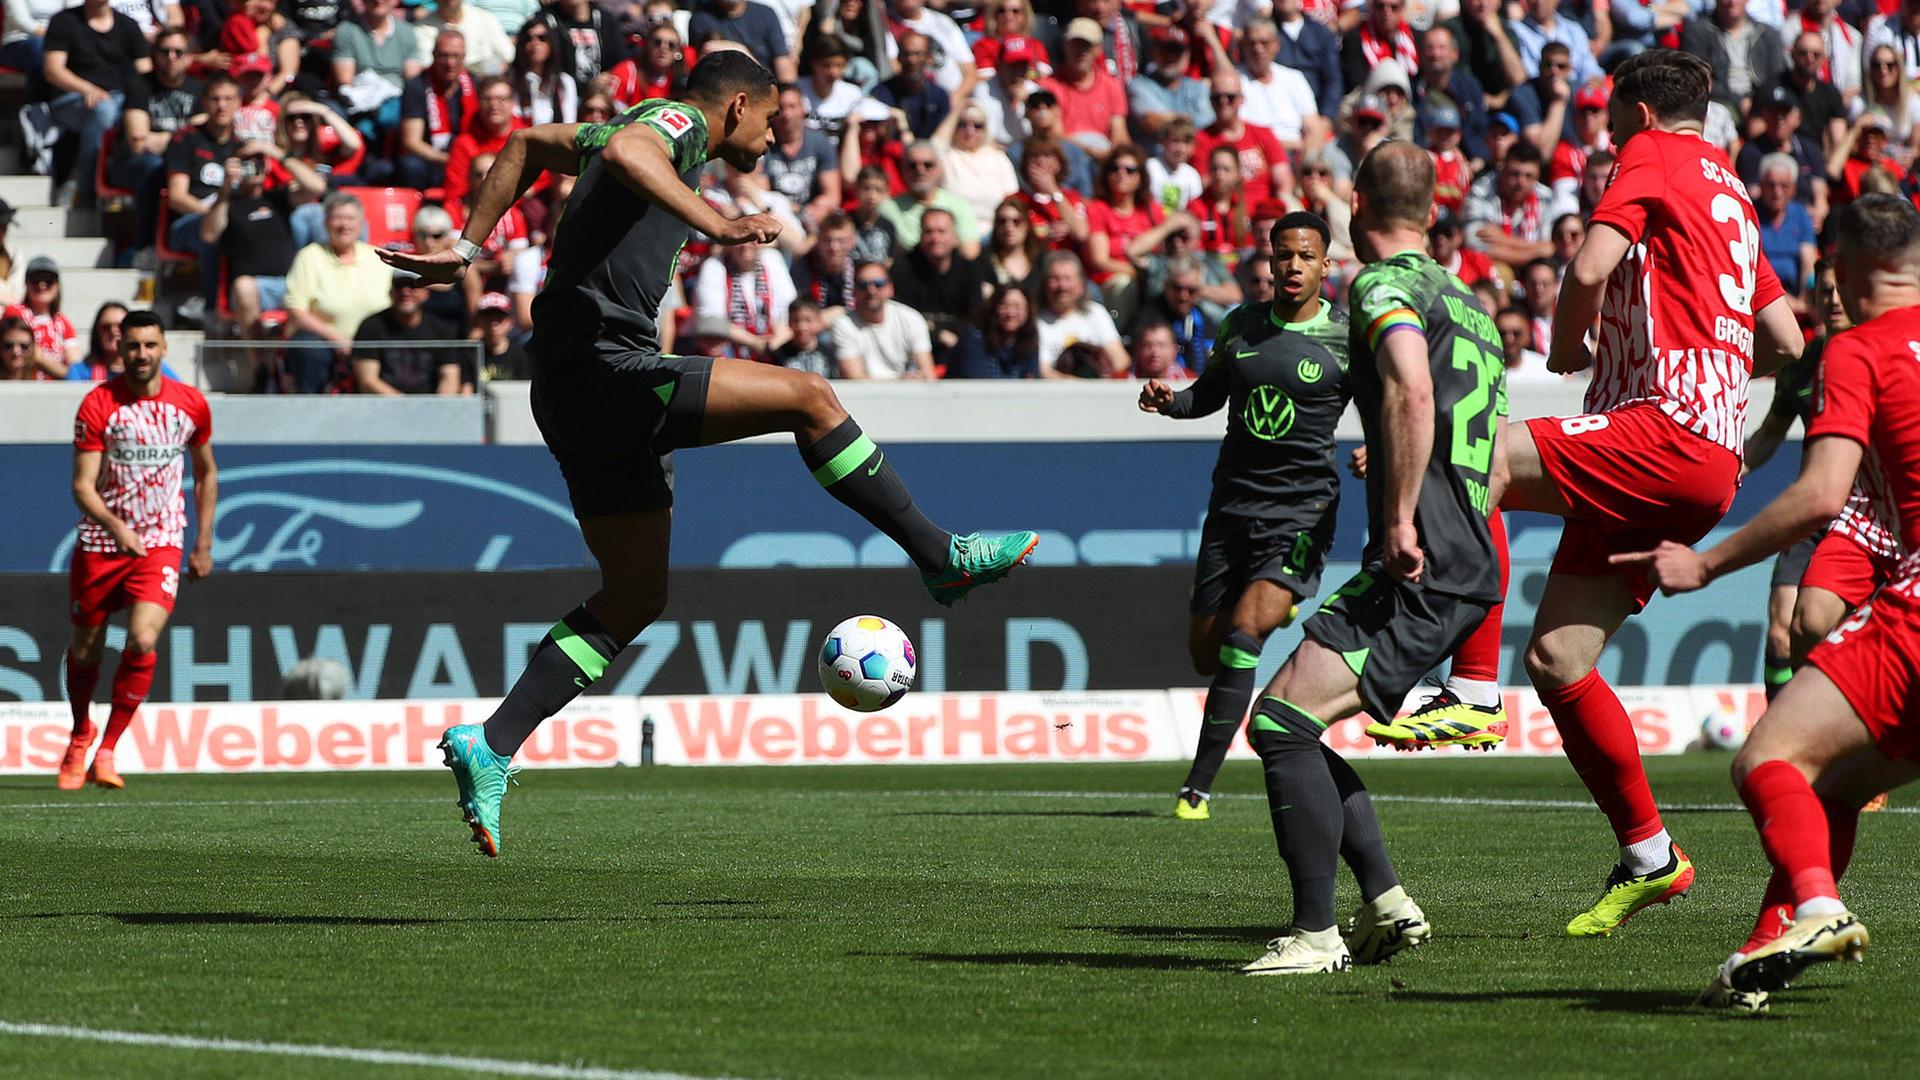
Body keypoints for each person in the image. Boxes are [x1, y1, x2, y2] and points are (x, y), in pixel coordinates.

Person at [376, 53, 1037, 855]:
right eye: (768, 117)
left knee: (633, 596)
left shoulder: (624, 127)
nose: (773, 133)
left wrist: (468, 248)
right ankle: (942, 555)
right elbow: (629, 152)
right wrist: (720, 225)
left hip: (570, 389)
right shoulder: (677, 125)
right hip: (601, 369)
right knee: (811, 397)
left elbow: (523, 143)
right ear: (738, 107)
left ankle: (493, 742)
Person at [1365, 51, 1805, 940]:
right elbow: (1787, 340)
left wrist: (1570, 348)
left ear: (1638, 114)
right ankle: (1651, 855)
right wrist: (1714, 359)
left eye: (1610, 121)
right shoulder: (1735, 196)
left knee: (1476, 455)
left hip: (1663, 428)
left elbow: (1590, 268)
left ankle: (1472, 691)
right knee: (1562, 658)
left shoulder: (1653, 158)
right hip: (1707, 451)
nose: (1604, 139)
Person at [1615, 195, 1919, 1010]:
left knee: (1767, 759)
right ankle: (1763, 947)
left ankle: (1817, 907)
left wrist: (1705, 564)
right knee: (1835, 786)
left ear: (1849, 270)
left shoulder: (1856, 348)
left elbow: (1821, 494)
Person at [1227, 143, 1501, 975]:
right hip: (1466, 547)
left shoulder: (1382, 286)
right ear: (1434, 206)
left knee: (1279, 723)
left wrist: (1402, 513)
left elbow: (1413, 390)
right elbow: (1446, 419)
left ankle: (1315, 936)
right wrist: (1393, 464)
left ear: (1354, 203)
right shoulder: (1472, 303)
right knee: (1292, 721)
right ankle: (1385, 903)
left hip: (1427, 555)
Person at [1139, 211, 1352, 822]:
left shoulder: (1346, 336)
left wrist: (1378, 453)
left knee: (1242, 635)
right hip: (1231, 507)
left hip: (1303, 510)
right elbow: (1207, 395)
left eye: (1304, 256)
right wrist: (1170, 402)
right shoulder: (1241, 324)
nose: (1291, 266)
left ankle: (1197, 788)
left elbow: (1386, 406)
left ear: (1324, 266)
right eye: (1282, 254)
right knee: (1206, 655)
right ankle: (1269, 606)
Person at [58, 311, 216, 791]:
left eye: (150, 345)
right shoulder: (99, 404)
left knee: (144, 640)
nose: (141, 355)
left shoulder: (190, 404)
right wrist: (116, 525)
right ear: (119, 351)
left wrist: (203, 543)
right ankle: (81, 730)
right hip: (103, 542)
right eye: (132, 346)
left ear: (164, 347)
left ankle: (107, 750)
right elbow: (83, 487)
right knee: (85, 648)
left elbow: (206, 472)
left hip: (162, 540)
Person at [201, 140, 326, 341]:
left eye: (258, 160)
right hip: (253, 291)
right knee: (244, 286)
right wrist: (225, 187)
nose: (252, 166)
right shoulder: (227, 203)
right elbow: (208, 234)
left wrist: (276, 153)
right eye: (245, 161)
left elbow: (317, 187)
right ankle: (260, 366)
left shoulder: (278, 197)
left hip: (291, 285)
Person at [37, 0, 151, 206]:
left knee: (134, 111)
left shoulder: (128, 25)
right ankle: (87, 189)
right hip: (71, 99)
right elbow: (53, 71)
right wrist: (88, 89)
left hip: (119, 98)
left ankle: (126, 181)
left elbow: (145, 70)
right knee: (103, 110)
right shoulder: (64, 21)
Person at [285, 193, 395, 393]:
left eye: (350, 218)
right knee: (307, 349)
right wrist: (336, 338)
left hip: (373, 342)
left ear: (361, 224)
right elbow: (296, 310)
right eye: (337, 218)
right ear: (326, 223)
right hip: (324, 341)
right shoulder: (309, 256)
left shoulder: (377, 257)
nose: (344, 225)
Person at [890, 207, 991, 360]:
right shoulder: (902, 269)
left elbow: (974, 316)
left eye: (941, 231)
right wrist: (940, 334)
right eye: (929, 232)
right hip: (912, 352)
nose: (935, 238)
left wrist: (939, 330)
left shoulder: (970, 270)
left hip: (960, 349)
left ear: (955, 237)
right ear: (921, 235)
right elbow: (903, 317)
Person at [1038, 18, 1129, 163]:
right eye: (1075, 44)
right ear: (1065, 46)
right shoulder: (1048, 86)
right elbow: (1053, 134)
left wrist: (1115, 156)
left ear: (1098, 49)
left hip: (1104, 156)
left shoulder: (1111, 85)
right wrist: (1090, 151)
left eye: (1086, 45)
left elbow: (1119, 132)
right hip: (1064, 156)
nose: (1080, 51)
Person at [351, 280, 465, 394]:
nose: (405, 292)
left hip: (431, 407)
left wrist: (438, 408)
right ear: (390, 293)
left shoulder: (441, 329)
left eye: (413, 286)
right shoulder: (371, 326)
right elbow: (368, 381)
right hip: (381, 407)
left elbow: (450, 378)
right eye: (399, 286)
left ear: (425, 294)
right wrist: (406, 407)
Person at [830, 259, 937, 378]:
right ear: (854, 291)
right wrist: (900, 382)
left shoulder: (911, 319)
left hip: (908, 393)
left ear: (890, 289)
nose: (871, 290)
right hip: (861, 395)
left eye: (879, 283)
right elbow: (854, 379)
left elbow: (928, 375)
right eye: (863, 285)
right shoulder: (844, 324)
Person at [1035, 251, 1127, 376]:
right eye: (1055, 279)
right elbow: (1043, 371)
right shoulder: (1036, 321)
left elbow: (1120, 360)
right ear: (1044, 284)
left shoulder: (1095, 313)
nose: (1062, 286)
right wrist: (1080, 386)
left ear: (1080, 285)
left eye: (1068, 279)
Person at [5, 257, 82, 377]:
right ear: (26, 283)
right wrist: (64, 372)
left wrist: (68, 373)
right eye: (35, 280)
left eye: (48, 280)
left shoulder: (62, 322)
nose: (42, 285)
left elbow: (77, 370)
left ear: (57, 285)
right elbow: (30, 355)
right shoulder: (15, 312)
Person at [946, 283, 1038, 379]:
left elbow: (1031, 380)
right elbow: (976, 382)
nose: (1010, 313)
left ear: (1027, 311)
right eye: (1004, 306)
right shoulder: (974, 338)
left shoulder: (1030, 341)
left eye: (1017, 307)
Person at [474, 291, 531, 380]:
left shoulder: (521, 354)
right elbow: (467, 388)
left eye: (499, 319)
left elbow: (525, 386)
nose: (493, 325)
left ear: (510, 323)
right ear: (479, 322)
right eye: (488, 319)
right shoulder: (472, 353)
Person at [772, 297, 836, 377]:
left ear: (819, 321)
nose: (802, 327)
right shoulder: (779, 355)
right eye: (796, 320)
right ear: (789, 322)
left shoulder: (829, 353)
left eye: (808, 320)